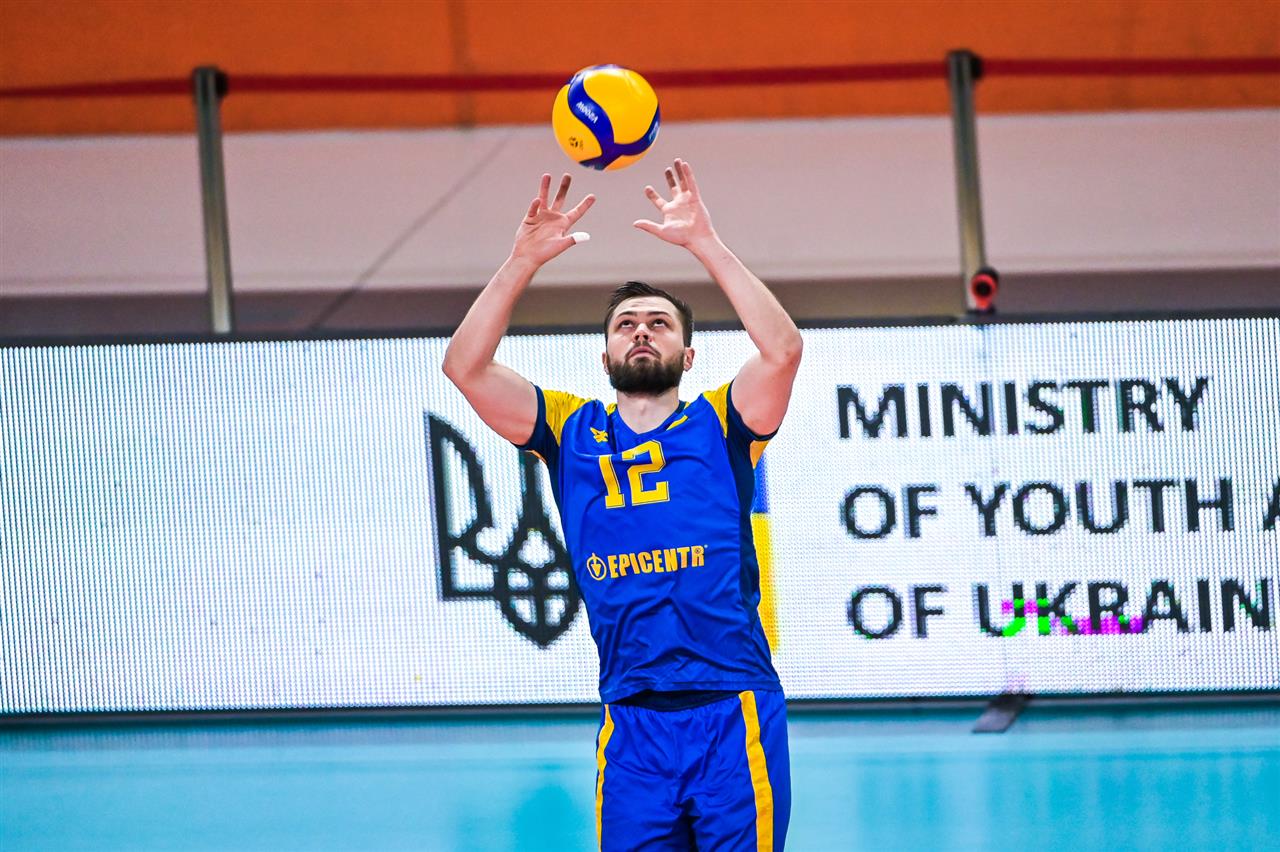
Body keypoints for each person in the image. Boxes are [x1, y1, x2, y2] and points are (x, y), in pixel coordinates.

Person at [443, 158, 803, 851]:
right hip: (631, 722)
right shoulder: (568, 430)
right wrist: (520, 262)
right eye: (626, 325)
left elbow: (783, 351)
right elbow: (464, 367)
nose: (641, 331)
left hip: (734, 710)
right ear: (604, 357)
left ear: (689, 356)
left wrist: (705, 243)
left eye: (660, 324)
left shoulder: (722, 424)